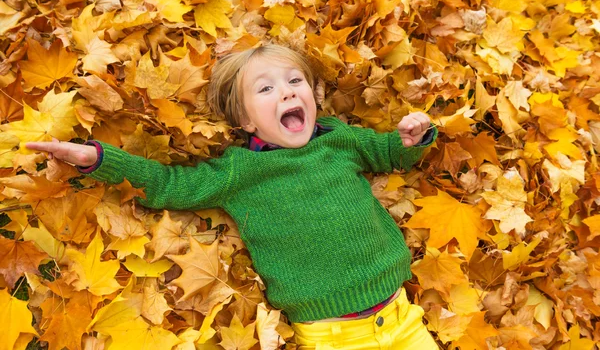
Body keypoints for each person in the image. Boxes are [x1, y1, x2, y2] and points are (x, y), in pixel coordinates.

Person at [26, 44, 439, 349]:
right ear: (244, 119)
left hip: (402, 315)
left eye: (296, 82)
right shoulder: (240, 171)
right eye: (266, 89)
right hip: (332, 334)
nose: (287, 93)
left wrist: (413, 138)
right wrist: (98, 159)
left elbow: (389, 155)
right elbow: (171, 184)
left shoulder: (338, 139)